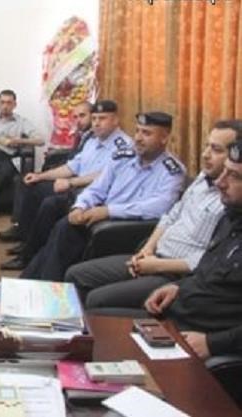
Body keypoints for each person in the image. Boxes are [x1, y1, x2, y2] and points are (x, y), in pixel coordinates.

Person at [65, 120, 241, 309]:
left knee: (97, 299)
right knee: (76, 275)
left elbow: (211, 262)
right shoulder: (203, 178)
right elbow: (171, 215)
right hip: (154, 255)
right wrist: (147, 249)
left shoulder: (231, 201)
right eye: (207, 146)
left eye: (216, 149)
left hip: (175, 274)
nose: (205, 154)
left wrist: (156, 265)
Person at [21, 111, 185, 280]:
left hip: (127, 227)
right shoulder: (123, 157)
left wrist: (108, 211)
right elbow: (97, 188)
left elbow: (159, 207)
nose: (138, 138)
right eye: (137, 131)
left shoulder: (172, 171)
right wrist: (80, 206)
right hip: (102, 218)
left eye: (146, 133)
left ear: (164, 138)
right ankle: (32, 281)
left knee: (65, 235)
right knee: (64, 226)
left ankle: (41, 284)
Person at [0, 100, 132, 270]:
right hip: (78, 187)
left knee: (50, 204)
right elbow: (71, 167)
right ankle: (25, 239)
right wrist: (40, 176)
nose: (97, 123)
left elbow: (103, 177)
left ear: (115, 120)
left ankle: (28, 257)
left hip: (94, 194)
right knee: (32, 185)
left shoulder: (123, 147)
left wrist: (70, 182)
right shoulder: (93, 140)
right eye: (95, 118)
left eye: (103, 118)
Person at [144, 138, 242, 358]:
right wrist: (178, 287)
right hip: (173, 316)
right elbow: (207, 272)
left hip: (201, 339)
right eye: (225, 172)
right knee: (95, 326)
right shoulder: (230, 218)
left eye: (234, 176)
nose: (220, 183)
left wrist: (212, 344)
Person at [0, 89, 43, 204]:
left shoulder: (21, 122)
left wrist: (18, 140)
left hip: (7, 156)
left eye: (9, 103)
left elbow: (41, 141)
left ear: (15, 105)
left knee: (6, 171)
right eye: (2, 102)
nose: (5, 106)